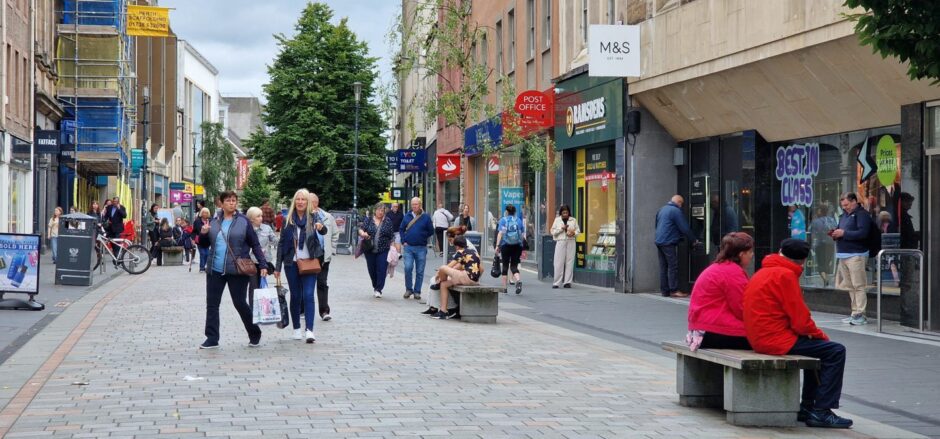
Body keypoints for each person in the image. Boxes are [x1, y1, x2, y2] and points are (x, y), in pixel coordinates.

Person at [743, 238, 852, 428]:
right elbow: (801, 321)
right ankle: (821, 410)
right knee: (835, 351)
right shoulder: (785, 275)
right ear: (802, 261)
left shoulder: (763, 271)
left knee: (819, 351)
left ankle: (808, 407)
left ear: (779, 251)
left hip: (760, 337)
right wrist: (821, 336)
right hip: (776, 340)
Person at [196, 191, 268, 349]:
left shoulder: (243, 222)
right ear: (221, 203)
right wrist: (203, 234)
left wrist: (263, 264)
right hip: (215, 269)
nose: (231, 203)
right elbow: (203, 244)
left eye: (234, 200)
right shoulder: (214, 221)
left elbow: (255, 244)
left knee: (240, 302)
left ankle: (254, 333)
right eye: (228, 200)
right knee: (212, 304)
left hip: (237, 270)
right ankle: (212, 338)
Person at [273, 189, 328, 344]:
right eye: (298, 199)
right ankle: (296, 328)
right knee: (296, 296)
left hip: (310, 262)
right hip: (291, 264)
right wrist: (277, 268)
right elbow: (282, 244)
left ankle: (309, 330)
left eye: (303, 199)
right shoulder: (287, 220)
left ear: (308, 202)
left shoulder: (314, 217)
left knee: (309, 295)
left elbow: (324, 230)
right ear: (294, 202)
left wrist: (320, 227)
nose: (301, 202)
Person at [686, 232, 754, 351]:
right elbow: (742, 308)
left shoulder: (719, 267)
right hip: (715, 330)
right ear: (742, 254)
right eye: (750, 252)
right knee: (769, 340)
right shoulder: (733, 272)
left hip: (700, 330)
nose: (752, 255)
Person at [831, 192, 872, 326]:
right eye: (843, 205)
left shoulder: (862, 215)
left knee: (858, 285)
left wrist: (844, 233)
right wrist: (835, 234)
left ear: (854, 201)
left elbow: (863, 233)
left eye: (847, 205)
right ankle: (855, 313)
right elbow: (840, 230)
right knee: (850, 285)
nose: (845, 207)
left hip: (856, 254)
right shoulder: (844, 216)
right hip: (843, 254)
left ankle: (861, 313)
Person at [428, 235, 482, 320]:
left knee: (442, 268)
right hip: (474, 280)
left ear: (457, 246)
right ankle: (443, 311)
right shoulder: (473, 252)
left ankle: (439, 283)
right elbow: (458, 267)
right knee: (444, 284)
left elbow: (450, 266)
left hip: (466, 277)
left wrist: (439, 273)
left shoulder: (461, 252)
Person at [655, 195, 698, 298]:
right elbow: (684, 228)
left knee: (663, 267)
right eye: (681, 204)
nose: (681, 206)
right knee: (672, 266)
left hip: (659, 241)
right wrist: (693, 239)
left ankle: (664, 291)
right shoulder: (675, 211)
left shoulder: (662, 209)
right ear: (678, 202)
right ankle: (674, 290)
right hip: (668, 241)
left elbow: (656, 225)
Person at [400, 197, 435, 300]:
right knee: (408, 268)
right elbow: (401, 229)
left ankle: (417, 291)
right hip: (408, 247)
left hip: (421, 248)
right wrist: (403, 241)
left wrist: (423, 237)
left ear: (420, 205)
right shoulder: (407, 216)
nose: (414, 206)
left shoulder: (426, 217)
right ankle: (408, 289)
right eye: (412, 204)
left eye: (416, 204)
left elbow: (431, 231)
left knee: (419, 271)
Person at [359, 202, 396, 298]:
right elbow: (361, 229)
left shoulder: (388, 221)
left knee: (382, 269)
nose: (380, 212)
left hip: (383, 249)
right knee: (372, 270)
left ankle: (379, 289)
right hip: (369, 249)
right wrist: (363, 233)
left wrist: (393, 248)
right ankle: (375, 285)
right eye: (379, 210)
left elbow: (391, 236)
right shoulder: (369, 220)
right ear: (375, 210)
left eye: (382, 210)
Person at [310, 194, 338, 320]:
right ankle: (302, 309)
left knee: (322, 282)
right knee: (306, 284)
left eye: (313, 202)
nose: (312, 204)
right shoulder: (303, 217)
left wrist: (331, 249)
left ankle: (324, 311)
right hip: (308, 256)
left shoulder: (327, 217)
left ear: (317, 202)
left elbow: (335, 234)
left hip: (323, 255)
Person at [246, 206, 277, 305]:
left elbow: (275, 241)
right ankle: (253, 309)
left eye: (261, 216)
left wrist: (282, 238)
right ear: (251, 218)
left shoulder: (266, 228)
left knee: (261, 285)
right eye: (258, 216)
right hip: (251, 262)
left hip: (264, 262)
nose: (261, 218)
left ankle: (261, 308)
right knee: (253, 286)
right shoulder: (247, 229)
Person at [495, 204, 525, 295]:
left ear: (506, 212)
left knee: (505, 265)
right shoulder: (519, 221)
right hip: (517, 246)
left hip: (506, 245)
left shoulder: (503, 220)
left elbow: (501, 233)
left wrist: (497, 245)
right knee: (514, 266)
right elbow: (522, 234)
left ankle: (504, 288)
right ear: (515, 212)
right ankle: (518, 280)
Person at [550, 205, 580, 288]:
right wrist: (561, 229)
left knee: (570, 261)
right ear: (561, 213)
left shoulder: (573, 220)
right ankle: (556, 282)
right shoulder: (557, 220)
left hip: (571, 241)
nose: (565, 214)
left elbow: (578, 230)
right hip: (561, 241)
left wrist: (574, 233)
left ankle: (567, 282)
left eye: (566, 212)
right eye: (563, 213)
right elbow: (552, 231)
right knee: (558, 262)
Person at [809, 205, 837, 287]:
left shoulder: (816, 222)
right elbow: (835, 228)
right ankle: (827, 279)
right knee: (827, 262)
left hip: (820, 243)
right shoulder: (832, 220)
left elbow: (812, 233)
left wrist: (812, 245)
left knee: (821, 263)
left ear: (820, 211)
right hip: (831, 243)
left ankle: (825, 279)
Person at [193, 208, 211, 273]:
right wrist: (193, 239)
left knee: (207, 254)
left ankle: (205, 265)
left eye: (206, 213)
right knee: (202, 253)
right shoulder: (197, 221)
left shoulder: (210, 221)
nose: (205, 214)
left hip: (207, 240)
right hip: (199, 240)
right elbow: (194, 231)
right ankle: (202, 268)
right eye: (203, 212)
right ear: (201, 213)